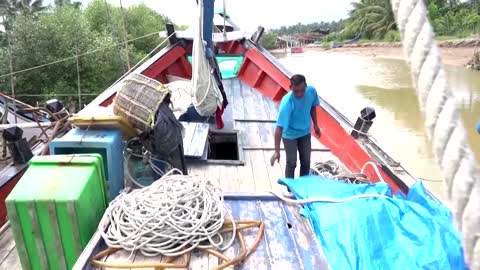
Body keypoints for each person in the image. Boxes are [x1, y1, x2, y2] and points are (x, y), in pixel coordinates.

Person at [270, 74, 320, 178]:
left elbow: (313, 107)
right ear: (290, 87)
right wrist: (276, 151)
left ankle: (303, 187)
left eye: (302, 90)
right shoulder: (287, 103)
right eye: (296, 91)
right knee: (291, 162)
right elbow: (279, 129)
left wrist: (315, 124)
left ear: (306, 85)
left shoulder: (311, 91)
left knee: (306, 161)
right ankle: (290, 190)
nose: (299, 94)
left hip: (305, 132)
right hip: (289, 134)